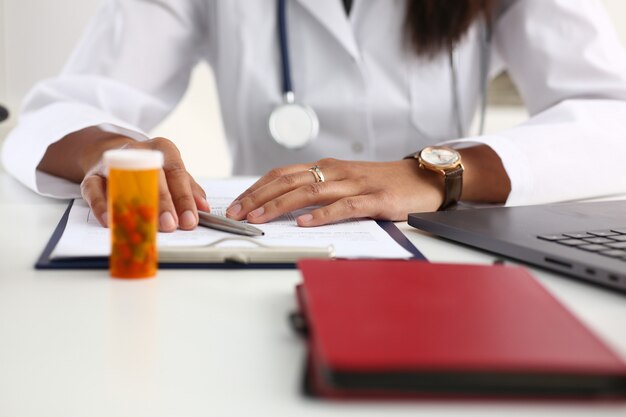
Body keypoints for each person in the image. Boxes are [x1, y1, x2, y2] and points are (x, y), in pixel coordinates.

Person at [3, 0, 626, 232]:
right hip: (262, 258)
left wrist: (440, 173)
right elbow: (63, 108)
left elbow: (612, 116)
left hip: (447, 253)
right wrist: (106, 149)